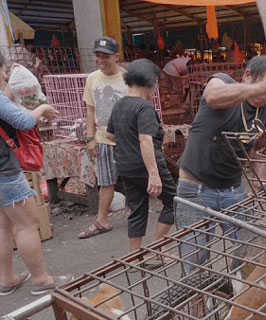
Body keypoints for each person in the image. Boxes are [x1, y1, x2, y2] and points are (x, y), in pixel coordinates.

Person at [175, 56, 266, 274]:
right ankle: (198, 306)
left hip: (233, 189)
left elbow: (257, 152)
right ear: (247, 76)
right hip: (195, 188)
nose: (265, 95)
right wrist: (260, 88)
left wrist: (256, 182)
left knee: (249, 251)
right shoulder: (222, 82)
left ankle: (238, 299)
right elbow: (213, 96)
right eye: (263, 86)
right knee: (195, 263)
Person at [0, 54, 73, 296]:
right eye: (3, 71)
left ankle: (7, 279)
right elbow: (22, 120)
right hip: (6, 173)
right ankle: (42, 281)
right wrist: (42, 107)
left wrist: (14, 82)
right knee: (27, 226)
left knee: (4, 225)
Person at [106, 59, 176, 256]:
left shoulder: (119, 105)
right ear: (151, 82)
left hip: (125, 166)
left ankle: (135, 257)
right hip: (146, 166)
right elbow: (145, 140)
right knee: (174, 202)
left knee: (137, 209)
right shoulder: (144, 108)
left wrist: (127, 139)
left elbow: (110, 134)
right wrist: (154, 174)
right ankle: (157, 251)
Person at [79, 37, 128, 239]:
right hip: (103, 139)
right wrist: (90, 138)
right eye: (98, 56)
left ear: (116, 56)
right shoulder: (93, 78)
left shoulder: (128, 78)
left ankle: (140, 214)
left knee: (136, 178)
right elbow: (90, 110)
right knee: (106, 181)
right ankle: (102, 221)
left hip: (127, 140)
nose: (101, 60)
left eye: (105, 56)